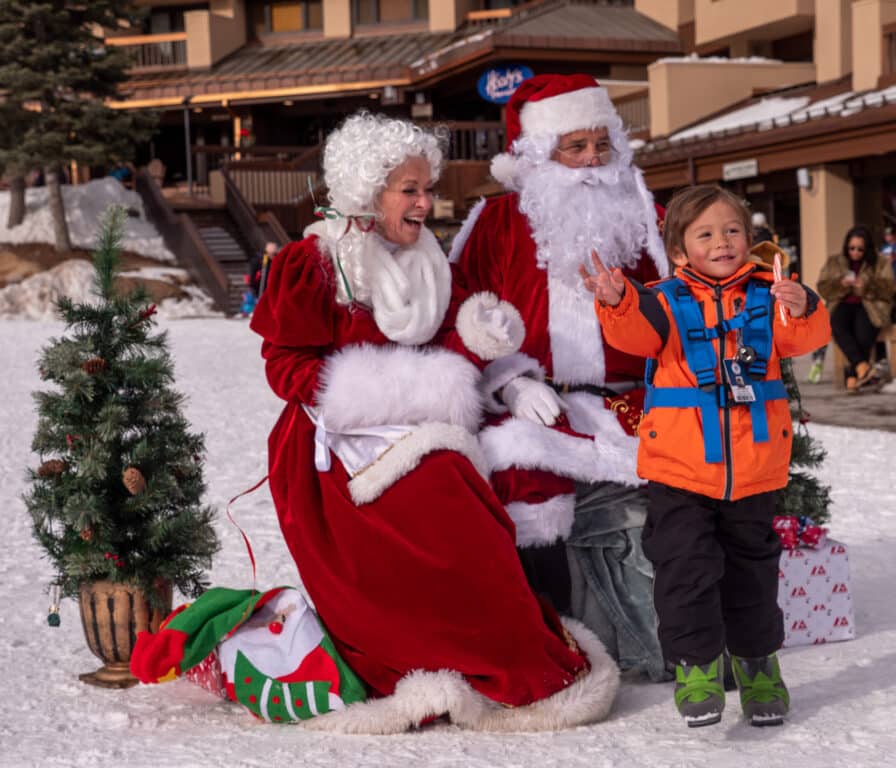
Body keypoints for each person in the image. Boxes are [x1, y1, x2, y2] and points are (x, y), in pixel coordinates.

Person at [250, 112, 617, 733]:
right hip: (334, 449)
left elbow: (444, 344)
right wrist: (382, 395)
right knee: (441, 501)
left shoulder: (427, 261)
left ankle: (503, 652)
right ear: (369, 192)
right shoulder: (311, 262)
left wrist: (478, 340)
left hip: (423, 435)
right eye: (410, 191)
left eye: (428, 189)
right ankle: (439, 657)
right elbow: (286, 366)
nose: (425, 203)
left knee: (468, 500)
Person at [581, 184, 830, 727]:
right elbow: (633, 335)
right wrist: (614, 298)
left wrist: (805, 304)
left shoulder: (769, 292)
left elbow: (804, 337)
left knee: (753, 574)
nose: (723, 242)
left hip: (755, 470)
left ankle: (759, 666)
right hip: (679, 472)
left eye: (733, 230)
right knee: (684, 571)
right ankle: (696, 667)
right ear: (677, 251)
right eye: (706, 234)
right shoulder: (663, 300)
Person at [450, 73, 671, 681]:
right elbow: (461, 315)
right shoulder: (494, 223)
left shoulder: (646, 214)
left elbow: (685, 309)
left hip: (634, 409)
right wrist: (512, 383)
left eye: (602, 144)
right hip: (535, 406)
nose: (593, 161)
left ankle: (654, 635)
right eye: (575, 147)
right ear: (537, 155)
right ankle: (552, 644)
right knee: (524, 488)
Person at [816, 225, 896, 393]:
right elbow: (823, 287)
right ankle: (862, 368)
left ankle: (853, 374)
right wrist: (840, 284)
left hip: (870, 305)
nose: (855, 252)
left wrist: (867, 286)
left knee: (864, 332)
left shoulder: (879, 263)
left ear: (867, 249)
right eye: (852, 248)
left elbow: (889, 289)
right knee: (836, 324)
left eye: (860, 249)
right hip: (841, 303)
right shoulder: (835, 262)